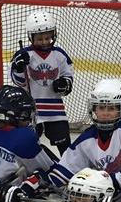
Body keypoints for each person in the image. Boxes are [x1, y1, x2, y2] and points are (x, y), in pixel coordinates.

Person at [10, 10, 74, 155]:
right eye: (39, 39)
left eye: (47, 38)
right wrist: (19, 67)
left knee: (64, 144)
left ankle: (68, 169)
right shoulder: (24, 55)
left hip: (54, 109)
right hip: (30, 109)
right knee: (28, 145)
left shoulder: (59, 54)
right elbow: (18, 82)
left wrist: (65, 83)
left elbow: (68, 75)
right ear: (31, 37)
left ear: (53, 34)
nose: (44, 42)